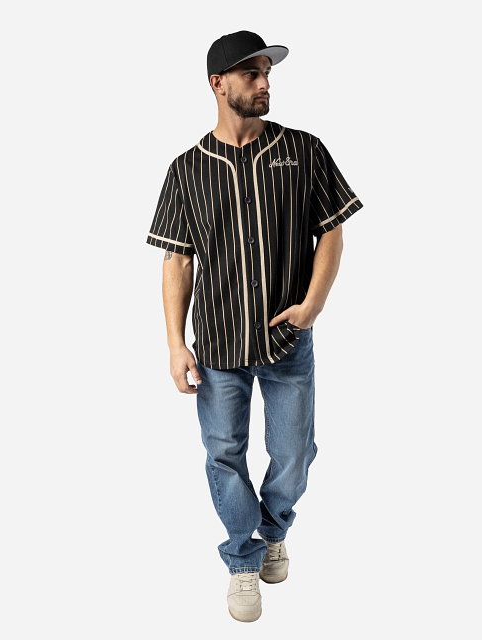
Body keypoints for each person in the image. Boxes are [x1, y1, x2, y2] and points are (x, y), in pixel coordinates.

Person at [146, 30, 364, 623]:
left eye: (268, 73)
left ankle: (274, 527)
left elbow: (332, 230)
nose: (266, 83)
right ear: (218, 84)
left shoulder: (305, 150)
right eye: (252, 74)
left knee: (295, 453)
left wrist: (314, 304)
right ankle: (242, 559)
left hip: (288, 338)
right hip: (218, 344)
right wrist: (174, 344)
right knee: (223, 454)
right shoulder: (186, 170)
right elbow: (178, 261)